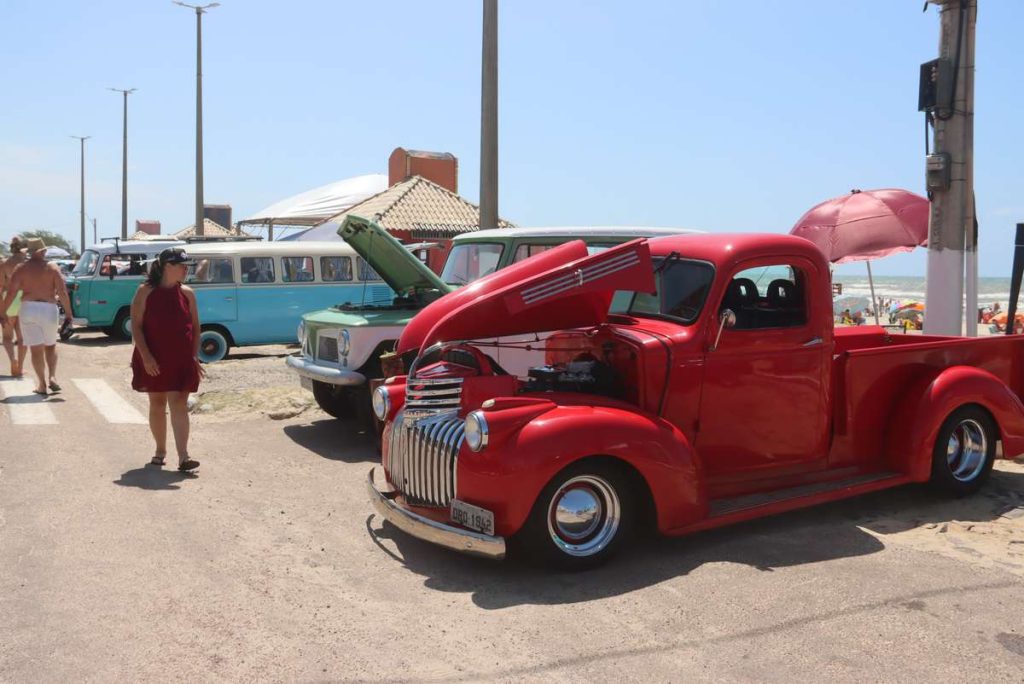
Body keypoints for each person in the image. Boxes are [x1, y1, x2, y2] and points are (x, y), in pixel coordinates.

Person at [130, 248, 204, 472]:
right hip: (153, 357)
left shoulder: (188, 294)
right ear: (167, 266)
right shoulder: (145, 291)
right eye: (181, 265)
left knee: (179, 403)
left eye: (186, 266)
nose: (185, 269)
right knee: (157, 403)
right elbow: (136, 326)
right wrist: (146, 356)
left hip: (181, 358)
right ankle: (160, 451)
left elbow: (196, 328)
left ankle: (184, 457)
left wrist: (194, 357)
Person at [0, 238, 72, 394]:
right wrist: (69, 314)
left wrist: (3, 312)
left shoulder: (21, 268)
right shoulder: (52, 267)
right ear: (43, 251)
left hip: (28, 308)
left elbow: (11, 293)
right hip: (49, 308)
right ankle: (52, 376)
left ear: (30, 252)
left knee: (36, 349)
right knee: (51, 346)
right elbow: (62, 292)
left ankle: (42, 385)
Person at [0, 236, 28, 376]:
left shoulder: (4, 264)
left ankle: (13, 360)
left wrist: (1, 310)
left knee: (7, 337)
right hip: (24, 299)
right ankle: (20, 368)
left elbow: (0, 287)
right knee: (23, 338)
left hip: (9, 299)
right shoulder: (27, 263)